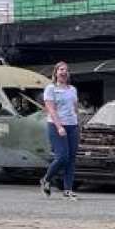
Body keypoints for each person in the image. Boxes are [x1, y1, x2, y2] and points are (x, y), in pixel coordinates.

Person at [41, 62, 80, 199]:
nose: (64, 72)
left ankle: (68, 190)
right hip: (56, 125)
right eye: (61, 70)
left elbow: (75, 108)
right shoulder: (50, 89)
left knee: (71, 159)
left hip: (72, 125)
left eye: (66, 70)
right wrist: (59, 126)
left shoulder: (72, 89)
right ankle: (46, 179)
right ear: (56, 73)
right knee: (62, 156)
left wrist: (78, 123)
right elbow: (51, 110)